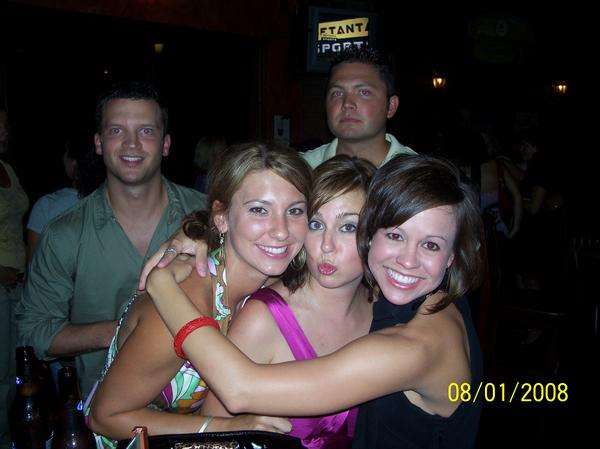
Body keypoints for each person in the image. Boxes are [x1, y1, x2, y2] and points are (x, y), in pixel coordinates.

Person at [146, 153, 485, 448]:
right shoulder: (409, 300)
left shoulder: (415, 342)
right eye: (396, 236)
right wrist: (198, 232)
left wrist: (161, 286)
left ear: (452, 256)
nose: (407, 261)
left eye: (431, 245)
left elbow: (239, 389)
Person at [86, 142, 312, 447]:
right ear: (221, 217)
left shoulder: (273, 285)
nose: (281, 230)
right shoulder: (180, 301)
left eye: (295, 210)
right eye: (259, 210)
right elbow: (105, 417)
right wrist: (229, 428)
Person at [15, 81, 207, 399]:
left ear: (166, 144)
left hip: (202, 406)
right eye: (117, 130)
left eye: (146, 131)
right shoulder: (64, 234)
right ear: (99, 143)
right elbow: (33, 331)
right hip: (103, 409)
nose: (132, 143)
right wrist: (121, 329)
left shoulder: (208, 217)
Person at [201, 155, 375, 448]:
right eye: (316, 224)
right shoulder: (265, 318)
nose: (326, 245)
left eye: (348, 227)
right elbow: (210, 436)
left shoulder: (384, 310)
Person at [301, 47, 415, 169]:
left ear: (391, 106)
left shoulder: (418, 175)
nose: (347, 104)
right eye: (337, 93)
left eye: (364, 92)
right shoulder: (301, 171)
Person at [0, 107, 29, 449]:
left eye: (5, 125)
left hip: (15, 282)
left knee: (12, 371)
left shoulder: (6, 169)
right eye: (0, 125)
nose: (5, 131)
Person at [26, 135, 93, 262]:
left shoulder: (46, 206)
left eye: (66, 153)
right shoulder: (113, 204)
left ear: (74, 163)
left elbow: (33, 265)